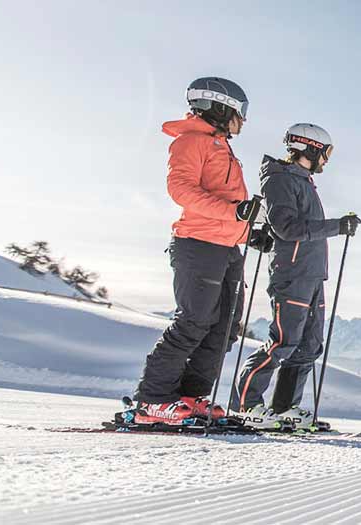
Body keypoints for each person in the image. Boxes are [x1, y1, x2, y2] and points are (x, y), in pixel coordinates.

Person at [126, 77, 261, 426]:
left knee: (225, 328)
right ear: (218, 107)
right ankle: (152, 399)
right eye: (239, 112)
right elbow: (182, 190)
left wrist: (250, 233)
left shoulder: (220, 146)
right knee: (194, 321)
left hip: (227, 248)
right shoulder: (192, 142)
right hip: (198, 245)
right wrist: (236, 213)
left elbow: (228, 206)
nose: (243, 120)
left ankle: (190, 396)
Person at [230, 123, 360, 429]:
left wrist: (337, 227)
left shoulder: (303, 181)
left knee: (310, 344)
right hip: (293, 274)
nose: (327, 160)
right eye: (326, 153)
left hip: (313, 274)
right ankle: (245, 406)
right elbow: (287, 228)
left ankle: (284, 407)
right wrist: (337, 226)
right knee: (283, 342)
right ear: (310, 148)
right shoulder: (280, 180)